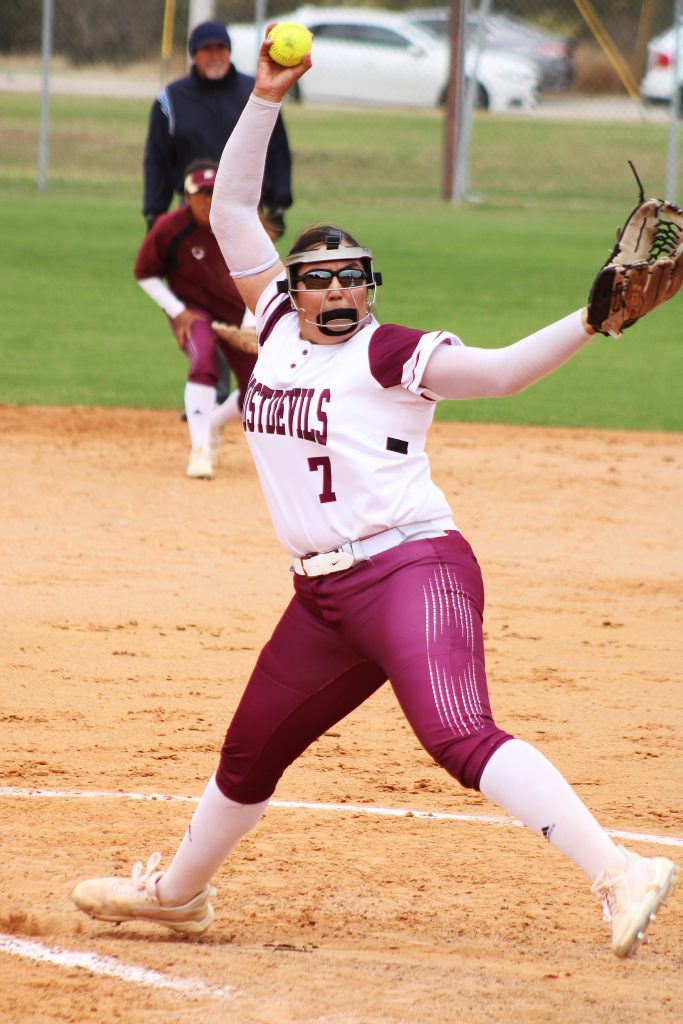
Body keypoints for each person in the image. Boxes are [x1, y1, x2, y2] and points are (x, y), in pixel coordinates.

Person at [72, 38, 679, 957]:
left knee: (457, 734)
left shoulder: (391, 350)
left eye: (357, 273)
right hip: (320, 598)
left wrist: (590, 319)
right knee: (250, 754)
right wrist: (265, 97)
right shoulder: (273, 320)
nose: (343, 287)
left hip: (410, 570)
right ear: (296, 287)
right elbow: (233, 203)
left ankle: (618, 872)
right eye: (324, 275)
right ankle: (178, 897)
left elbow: (505, 373)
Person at [134, 157, 257, 479]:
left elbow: (263, 276)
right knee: (203, 362)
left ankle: (214, 423)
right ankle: (200, 449)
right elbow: (144, 273)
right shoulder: (170, 228)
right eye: (200, 194)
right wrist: (177, 311)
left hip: (239, 313)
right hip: (194, 312)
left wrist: (248, 323)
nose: (207, 201)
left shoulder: (239, 228)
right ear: (186, 196)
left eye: (213, 193)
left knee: (260, 386)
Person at [142, 19, 292, 241]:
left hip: (247, 206)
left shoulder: (255, 91)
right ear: (194, 54)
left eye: (221, 48)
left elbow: (277, 148)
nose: (215, 55)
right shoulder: (172, 99)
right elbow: (158, 157)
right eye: (206, 49)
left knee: (248, 274)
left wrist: (279, 203)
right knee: (195, 274)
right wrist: (155, 212)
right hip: (194, 206)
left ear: (229, 51)